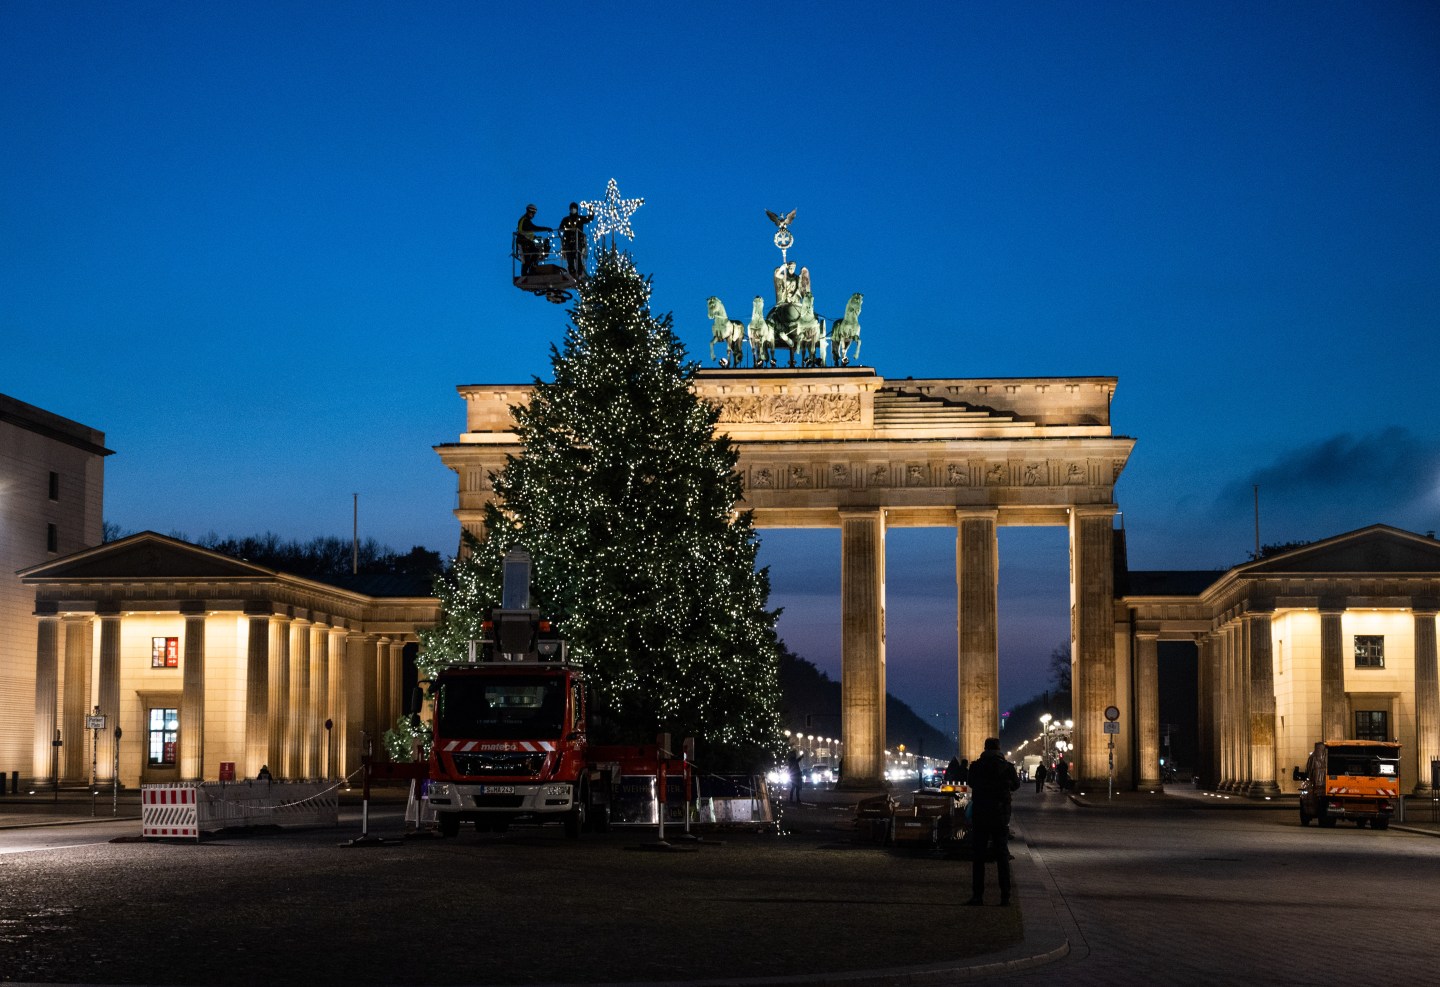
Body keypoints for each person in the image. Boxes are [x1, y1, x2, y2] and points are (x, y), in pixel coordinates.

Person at [965, 737, 1019, 906]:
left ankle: (977, 896)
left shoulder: (976, 766)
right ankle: (1005, 896)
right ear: (999, 748)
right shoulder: (1007, 767)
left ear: (985, 748)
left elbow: (970, 782)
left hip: (981, 814)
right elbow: (1016, 785)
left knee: (979, 857)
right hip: (1000, 815)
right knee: (1002, 855)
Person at [557, 202, 592, 280]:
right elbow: (560, 228)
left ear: (577, 209)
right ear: (570, 209)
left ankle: (579, 272)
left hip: (578, 240)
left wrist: (591, 209)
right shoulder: (566, 219)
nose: (573, 209)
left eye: (574, 208)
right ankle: (572, 272)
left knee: (578, 256)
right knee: (569, 257)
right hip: (568, 241)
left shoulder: (580, 219)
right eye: (572, 208)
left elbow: (590, 218)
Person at [515, 204, 552, 276]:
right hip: (524, 242)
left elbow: (529, 232)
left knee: (530, 256)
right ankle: (529, 271)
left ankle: (530, 270)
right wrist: (546, 228)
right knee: (530, 256)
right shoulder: (525, 221)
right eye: (533, 213)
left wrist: (535, 237)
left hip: (525, 241)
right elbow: (533, 228)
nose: (533, 215)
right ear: (530, 212)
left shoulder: (524, 220)